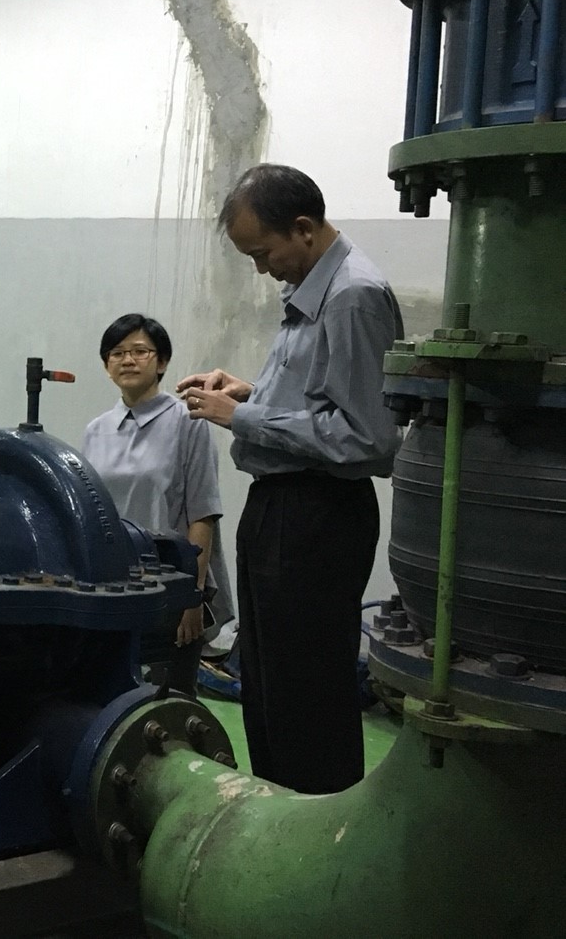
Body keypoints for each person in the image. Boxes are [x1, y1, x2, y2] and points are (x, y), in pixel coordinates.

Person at [177, 163, 402, 795]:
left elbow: (367, 436)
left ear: (303, 228)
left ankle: (316, 817)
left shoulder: (352, 296)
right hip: (284, 509)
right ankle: (281, 807)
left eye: (262, 253)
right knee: (270, 682)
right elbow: (322, 400)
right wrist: (250, 391)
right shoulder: (313, 291)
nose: (261, 269)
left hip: (317, 515)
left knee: (306, 690)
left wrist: (242, 416)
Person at [82, 313, 227, 698]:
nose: (127, 360)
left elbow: (202, 513)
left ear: (161, 362)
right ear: (107, 366)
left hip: (170, 585)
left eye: (140, 351)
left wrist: (192, 596)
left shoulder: (188, 421)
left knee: (167, 700)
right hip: (114, 586)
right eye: (117, 353)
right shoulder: (96, 430)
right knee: (109, 697)